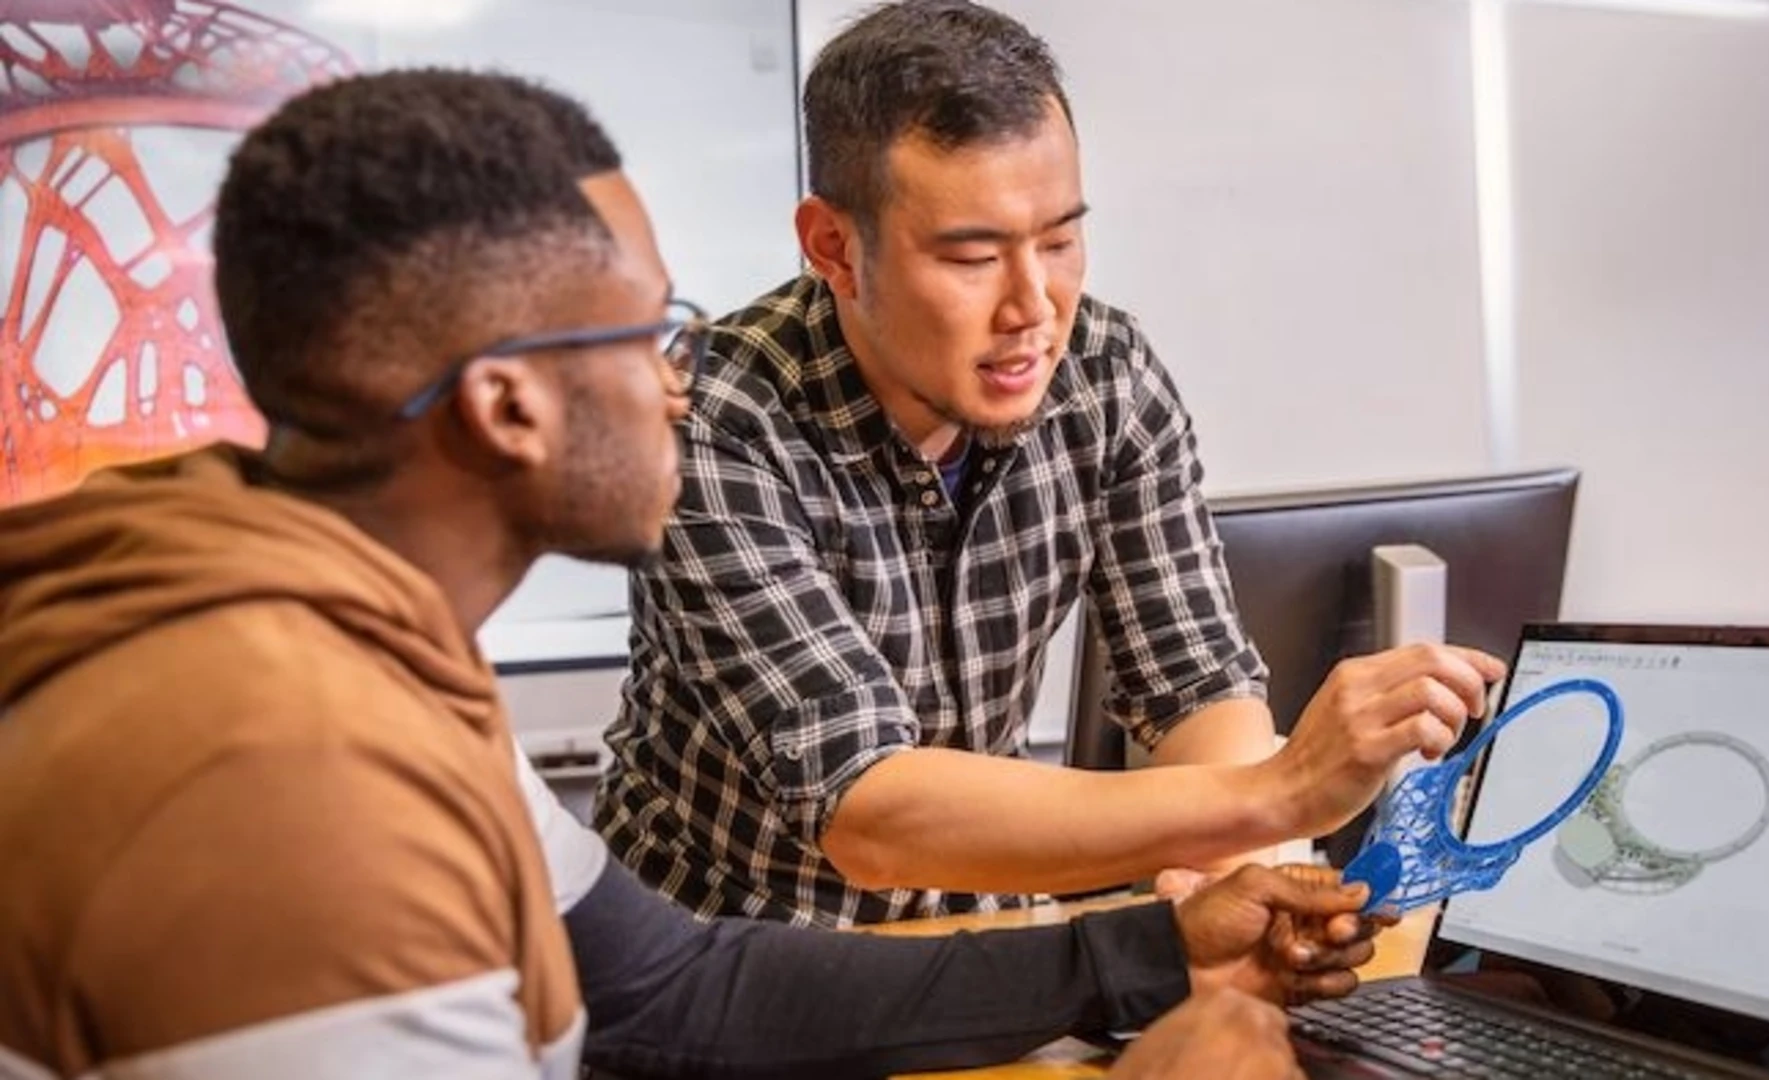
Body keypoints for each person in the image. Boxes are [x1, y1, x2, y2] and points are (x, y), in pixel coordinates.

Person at [0, 68, 1383, 1080]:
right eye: (648, 332)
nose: (680, 380)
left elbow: (672, 989)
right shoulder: (284, 781)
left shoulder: (358, 645)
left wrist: (1154, 955)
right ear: (507, 406)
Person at [597, 0, 1508, 927]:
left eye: (1061, 240)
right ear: (834, 247)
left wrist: (1238, 859)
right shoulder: (710, 418)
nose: (1034, 306)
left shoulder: (1104, 374)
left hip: (984, 928)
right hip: (734, 950)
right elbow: (867, 810)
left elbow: (1196, 685)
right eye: (972, 258)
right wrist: (1280, 792)